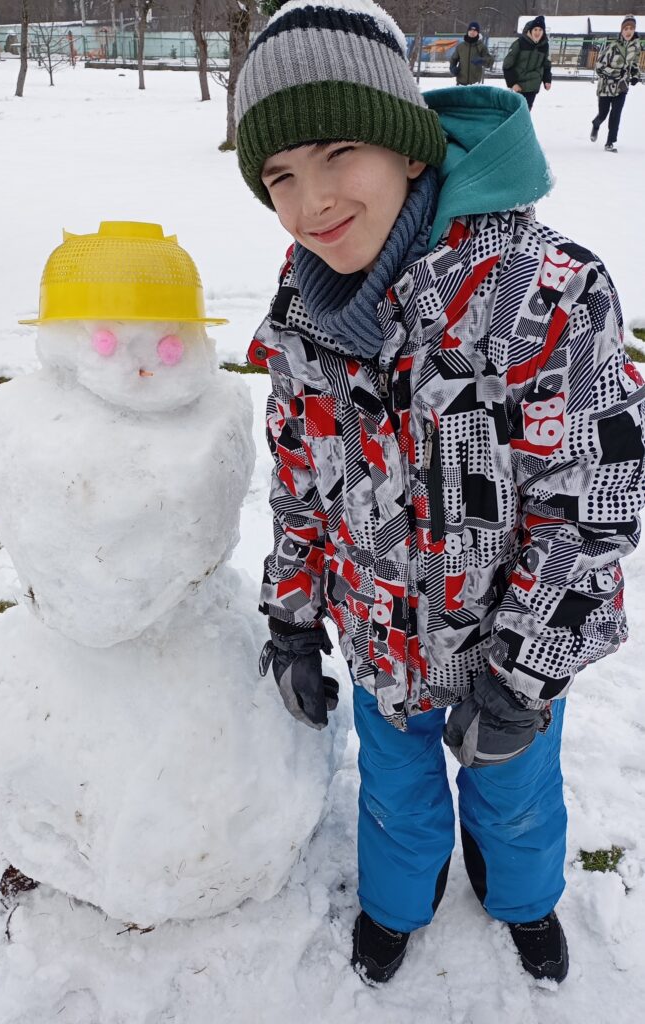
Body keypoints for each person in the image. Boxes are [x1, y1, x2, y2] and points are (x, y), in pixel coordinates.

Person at [235, 0, 645, 988]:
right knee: (395, 794)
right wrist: (291, 617)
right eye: (279, 176)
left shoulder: (543, 294)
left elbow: (592, 503)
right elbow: (300, 484)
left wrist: (524, 675)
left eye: (338, 153)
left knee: (517, 801)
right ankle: (395, 903)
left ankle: (522, 899)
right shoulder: (301, 315)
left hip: (504, 651)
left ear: (408, 146)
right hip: (378, 642)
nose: (310, 203)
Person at [591, 15, 641, 153]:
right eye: (626, 28)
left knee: (616, 115)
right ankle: (596, 123)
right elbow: (599, 67)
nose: (628, 31)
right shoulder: (612, 46)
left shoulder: (636, 47)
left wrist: (635, 75)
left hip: (622, 87)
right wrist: (616, 73)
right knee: (603, 114)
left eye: (631, 28)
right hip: (606, 87)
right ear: (621, 30)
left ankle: (610, 142)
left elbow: (634, 64)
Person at [502, 14, 552, 110]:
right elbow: (507, 65)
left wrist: (547, 80)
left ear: (543, 32)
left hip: (532, 87)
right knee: (514, 112)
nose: (537, 32)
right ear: (530, 30)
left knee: (526, 112)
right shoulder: (520, 43)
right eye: (535, 29)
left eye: (540, 30)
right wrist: (513, 83)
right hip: (518, 86)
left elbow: (546, 65)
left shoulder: (545, 46)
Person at [449, 21, 494, 85]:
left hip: (475, 84)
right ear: (468, 31)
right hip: (461, 83)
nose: (472, 32)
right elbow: (453, 59)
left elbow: (490, 61)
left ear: (477, 33)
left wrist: (482, 60)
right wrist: (452, 68)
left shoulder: (481, 46)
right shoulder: (460, 46)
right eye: (470, 30)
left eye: (475, 31)